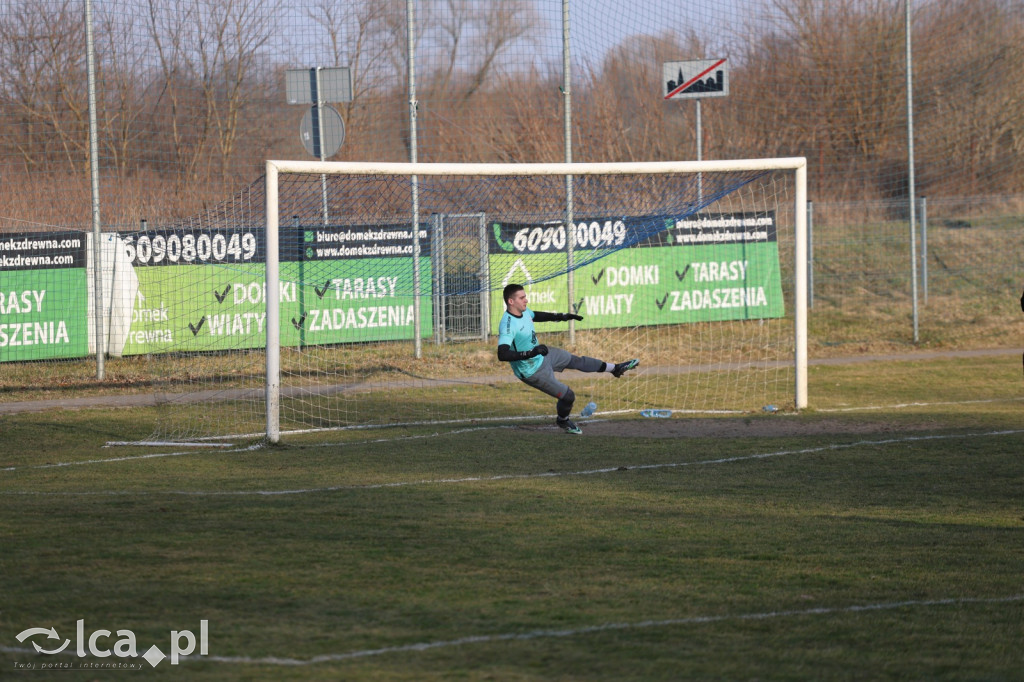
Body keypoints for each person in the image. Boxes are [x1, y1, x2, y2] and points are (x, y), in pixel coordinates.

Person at [496, 283, 639, 434]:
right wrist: (531, 353)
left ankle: (615, 369)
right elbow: (502, 354)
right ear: (511, 302)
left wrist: (561, 317)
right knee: (568, 396)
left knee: (576, 361)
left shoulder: (524, 311)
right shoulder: (507, 325)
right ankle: (563, 421)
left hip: (543, 355)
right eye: (522, 297)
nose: (526, 300)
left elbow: (536, 315)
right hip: (532, 371)